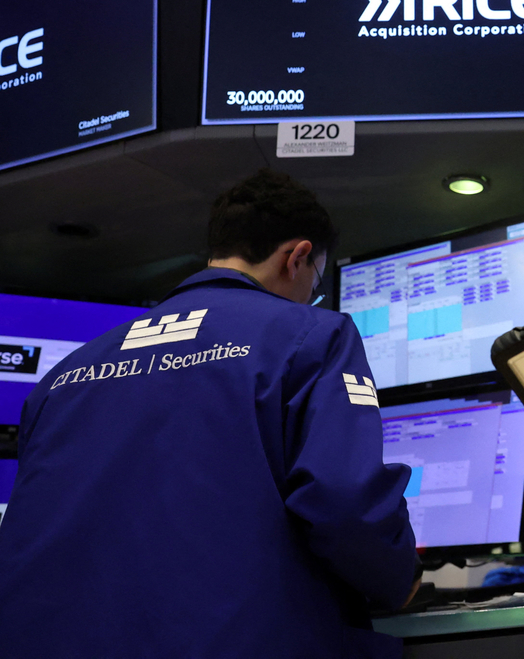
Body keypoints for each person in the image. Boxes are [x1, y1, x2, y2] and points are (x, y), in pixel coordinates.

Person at [0, 169, 419, 657]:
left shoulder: (63, 375)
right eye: (316, 283)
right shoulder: (314, 335)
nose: (312, 297)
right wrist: (398, 577)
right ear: (297, 257)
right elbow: (345, 501)